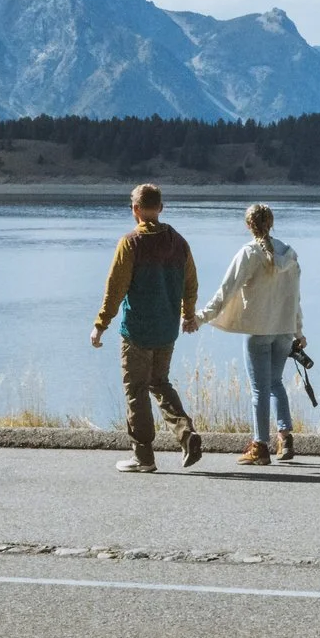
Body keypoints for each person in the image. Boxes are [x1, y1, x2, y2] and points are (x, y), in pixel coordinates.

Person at [90, 182, 203, 473]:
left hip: (137, 331)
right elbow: (190, 283)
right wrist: (187, 314)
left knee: (136, 389)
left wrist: (100, 324)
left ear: (136, 210)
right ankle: (185, 433)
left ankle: (143, 456)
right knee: (159, 382)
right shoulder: (179, 242)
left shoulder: (130, 243)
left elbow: (115, 288)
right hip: (166, 330)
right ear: (161, 208)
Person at [199, 202, 304, 465]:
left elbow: (226, 292)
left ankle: (260, 446)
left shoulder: (249, 253)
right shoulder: (289, 254)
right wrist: (298, 331)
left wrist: (200, 317)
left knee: (259, 389)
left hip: (259, 331)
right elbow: (295, 298)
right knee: (275, 383)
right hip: (283, 330)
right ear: (271, 223)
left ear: (249, 225)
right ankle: (285, 437)